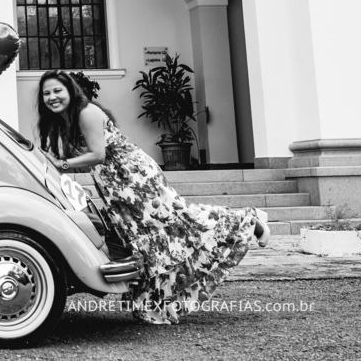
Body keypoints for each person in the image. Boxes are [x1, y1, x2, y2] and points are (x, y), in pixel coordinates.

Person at [36, 70, 269, 324]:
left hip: (134, 177)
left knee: (175, 224)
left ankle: (248, 220)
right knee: (142, 238)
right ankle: (155, 304)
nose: (52, 97)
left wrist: (63, 165)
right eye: (46, 93)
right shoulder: (64, 120)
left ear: (70, 90)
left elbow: (98, 155)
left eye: (57, 90)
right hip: (115, 185)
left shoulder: (86, 112)